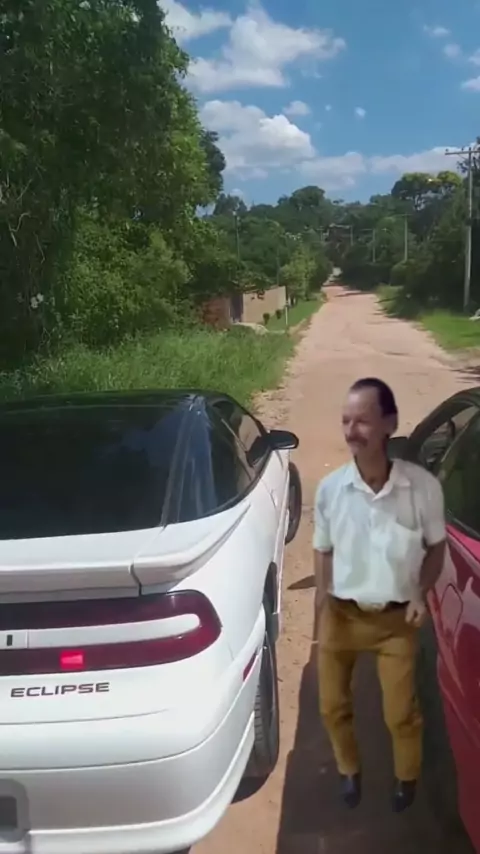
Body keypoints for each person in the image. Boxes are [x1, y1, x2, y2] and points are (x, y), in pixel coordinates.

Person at [313, 377, 446, 812]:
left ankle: (406, 779)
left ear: (390, 423)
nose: (352, 431)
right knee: (332, 707)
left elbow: (437, 547)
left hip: (395, 622)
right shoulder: (330, 490)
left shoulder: (421, 488)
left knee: (400, 714)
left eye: (363, 421)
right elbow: (322, 549)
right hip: (342, 616)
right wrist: (320, 605)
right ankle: (349, 770)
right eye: (346, 421)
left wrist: (421, 593)